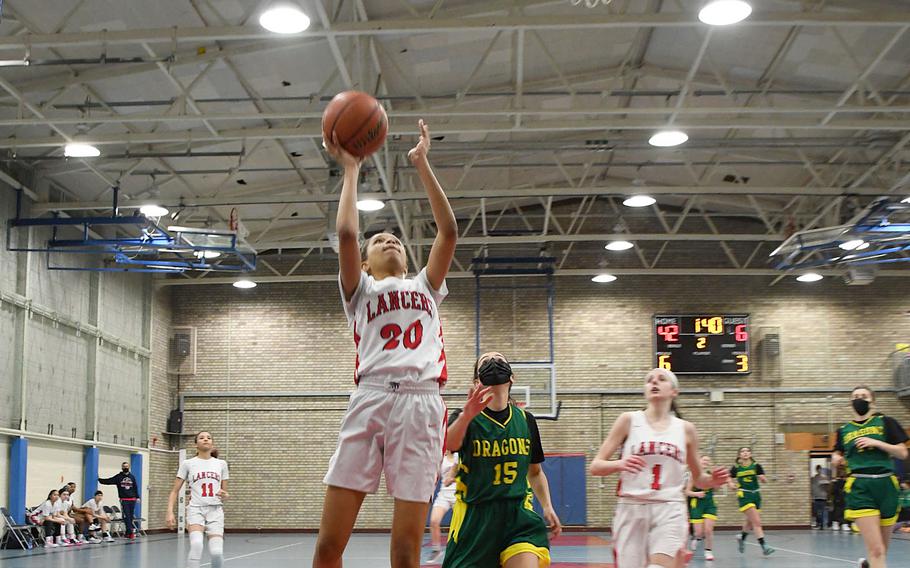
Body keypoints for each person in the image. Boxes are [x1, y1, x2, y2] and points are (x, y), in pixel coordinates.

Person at [313, 119, 457, 568]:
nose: (389, 240)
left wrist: (421, 164)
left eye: (395, 239)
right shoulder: (362, 291)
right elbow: (347, 235)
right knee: (328, 544)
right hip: (371, 397)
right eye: (380, 240)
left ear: (408, 257)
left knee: (405, 551)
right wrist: (352, 169)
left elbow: (448, 231)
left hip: (422, 403)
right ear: (368, 263)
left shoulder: (426, 286)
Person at [590, 368, 729, 568]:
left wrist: (712, 481)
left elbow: (699, 478)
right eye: (649, 380)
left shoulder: (686, 429)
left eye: (661, 379)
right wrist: (619, 464)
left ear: (674, 391)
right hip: (631, 507)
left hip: (670, 507)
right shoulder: (629, 420)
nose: (654, 382)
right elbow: (596, 466)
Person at [442, 352, 561, 568]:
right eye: (486, 361)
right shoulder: (464, 416)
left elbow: (535, 472)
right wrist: (466, 416)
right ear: (477, 381)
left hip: (517, 515)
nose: (493, 362)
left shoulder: (526, 420)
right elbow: (449, 444)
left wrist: (547, 506)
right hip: (476, 517)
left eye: (499, 359)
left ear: (511, 377)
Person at [832, 385, 909, 568]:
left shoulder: (886, 422)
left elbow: (902, 453)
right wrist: (836, 459)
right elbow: (836, 454)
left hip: (886, 484)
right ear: (851, 402)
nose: (859, 398)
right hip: (860, 486)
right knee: (876, 550)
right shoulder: (844, 430)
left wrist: (877, 443)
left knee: (882, 549)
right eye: (856, 396)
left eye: (864, 395)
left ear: (872, 401)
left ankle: (867, 564)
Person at [167, 431, 230, 568]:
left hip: (215, 510)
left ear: (212, 443)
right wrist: (170, 512)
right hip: (195, 509)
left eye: (208, 438)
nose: (205, 439)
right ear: (196, 444)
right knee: (196, 545)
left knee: (217, 552)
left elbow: (225, 492)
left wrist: (225, 495)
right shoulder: (188, 464)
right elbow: (174, 491)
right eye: (201, 438)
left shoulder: (221, 464)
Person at [729, 447, 774, 556]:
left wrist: (763, 479)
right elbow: (728, 477)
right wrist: (730, 484)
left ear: (750, 454)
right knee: (757, 521)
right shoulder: (736, 468)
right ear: (739, 455)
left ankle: (742, 537)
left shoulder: (756, 466)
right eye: (742, 451)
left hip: (756, 495)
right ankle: (764, 546)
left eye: (747, 451)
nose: (745, 453)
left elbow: (764, 479)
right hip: (744, 495)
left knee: (750, 521)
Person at [427, 451, 459, 564]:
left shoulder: (460, 455)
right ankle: (436, 550)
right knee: (434, 521)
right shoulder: (442, 457)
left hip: (458, 494)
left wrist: (453, 479)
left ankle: (462, 550)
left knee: (461, 526)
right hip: (443, 494)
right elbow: (436, 476)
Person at [686, 455, 718, 561]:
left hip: (709, 504)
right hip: (697, 504)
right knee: (698, 532)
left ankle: (708, 551)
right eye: (704, 459)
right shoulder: (693, 475)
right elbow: (687, 492)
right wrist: (697, 494)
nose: (706, 461)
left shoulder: (711, 475)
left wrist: (718, 481)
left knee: (708, 530)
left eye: (708, 460)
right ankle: (697, 538)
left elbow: (716, 489)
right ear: (698, 461)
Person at [98, 461, 140, 539]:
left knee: (130, 516)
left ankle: (128, 533)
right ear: (122, 467)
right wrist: (100, 480)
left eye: (127, 466)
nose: (125, 468)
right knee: (126, 516)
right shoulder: (118, 477)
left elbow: (135, 487)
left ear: (129, 467)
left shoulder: (132, 477)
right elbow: (109, 481)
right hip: (124, 499)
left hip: (132, 499)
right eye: (124, 466)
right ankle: (131, 532)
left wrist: (137, 497)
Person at [811, 464, 831, 529]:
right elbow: (812, 487)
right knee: (817, 512)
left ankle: (822, 525)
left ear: (821, 470)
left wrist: (828, 497)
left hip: (823, 497)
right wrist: (812, 496)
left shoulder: (825, 477)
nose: (818, 470)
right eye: (817, 469)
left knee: (822, 512)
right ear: (816, 470)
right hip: (816, 497)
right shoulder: (814, 478)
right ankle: (818, 523)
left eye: (819, 469)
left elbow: (828, 487)